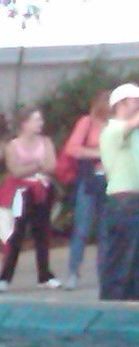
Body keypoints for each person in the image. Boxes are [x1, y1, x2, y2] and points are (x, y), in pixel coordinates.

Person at [0, 107, 62, 291]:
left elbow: (52, 165)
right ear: (24, 123)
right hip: (21, 192)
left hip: (43, 190)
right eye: (36, 120)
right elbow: (15, 170)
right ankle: (4, 277)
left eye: (40, 120)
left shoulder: (46, 142)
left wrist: (31, 167)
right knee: (16, 234)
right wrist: (37, 165)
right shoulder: (12, 146)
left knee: (42, 233)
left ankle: (44, 275)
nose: (40, 123)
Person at [64, 91, 111, 287]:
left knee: (106, 230)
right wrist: (98, 153)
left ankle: (104, 273)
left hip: (111, 179)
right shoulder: (87, 122)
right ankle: (73, 272)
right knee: (82, 227)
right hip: (90, 179)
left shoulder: (117, 124)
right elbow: (72, 148)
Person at [101, 83, 139, 303]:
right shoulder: (112, 130)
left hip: (133, 199)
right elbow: (129, 127)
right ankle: (112, 303)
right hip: (123, 200)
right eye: (135, 101)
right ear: (121, 104)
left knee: (133, 262)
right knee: (121, 258)